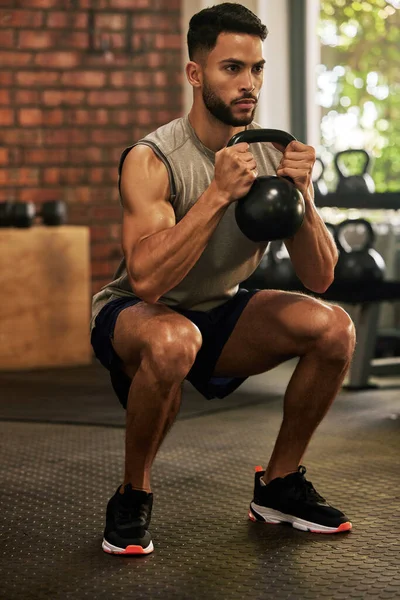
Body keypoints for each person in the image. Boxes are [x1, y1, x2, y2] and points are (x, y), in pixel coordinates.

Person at [91, 2, 356, 556]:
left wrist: (304, 197)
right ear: (195, 74)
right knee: (173, 337)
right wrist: (215, 195)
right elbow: (147, 283)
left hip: (223, 308)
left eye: (256, 69)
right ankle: (132, 493)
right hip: (139, 317)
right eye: (232, 68)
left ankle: (279, 486)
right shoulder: (154, 158)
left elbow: (321, 275)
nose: (249, 84)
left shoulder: (271, 151)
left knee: (335, 328)